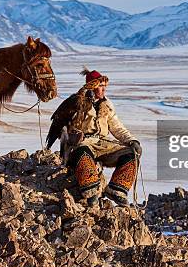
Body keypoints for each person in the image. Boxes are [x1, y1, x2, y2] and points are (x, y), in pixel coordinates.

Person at [47, 68, 141, 206]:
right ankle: (91, 193)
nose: (104, 90)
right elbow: (63, 129)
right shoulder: (76, 102)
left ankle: (116, 190)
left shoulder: (106, 105)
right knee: (82, 152)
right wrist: (69, 138)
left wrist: (132, 141)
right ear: (92, 86)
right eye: (101, 86)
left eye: (105, 87)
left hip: (102, 143)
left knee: (131, 154)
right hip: (81, 144)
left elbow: (117, 127)